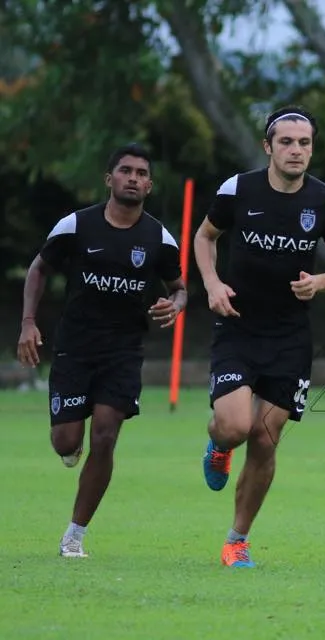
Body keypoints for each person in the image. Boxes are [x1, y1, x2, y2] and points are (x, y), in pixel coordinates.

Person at [195, 106, 325, 568]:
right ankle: (218, 445)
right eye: (286, 142)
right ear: (268, 147)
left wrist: (320, 282)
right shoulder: (238, 189)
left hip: (290, 336)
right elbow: (205, 237)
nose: (296, 150)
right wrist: (211, 284)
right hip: (239, 325)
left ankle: (236, 541)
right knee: (234, 427)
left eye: (304, 143)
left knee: (266, 439)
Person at [17, 143, 186, 558]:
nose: (133, 178)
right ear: (109, 179)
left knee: (106, 435)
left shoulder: (159, 238)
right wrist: (27, 323)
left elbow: (178, 287)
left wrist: (175, 305)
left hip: (123, 351)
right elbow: (38, 269)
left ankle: (74, 535)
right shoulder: (75, 226)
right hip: (75, 348)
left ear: (150, 184)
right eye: (125, 170)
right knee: (64, 440)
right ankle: (70, 445)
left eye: (141, 173)